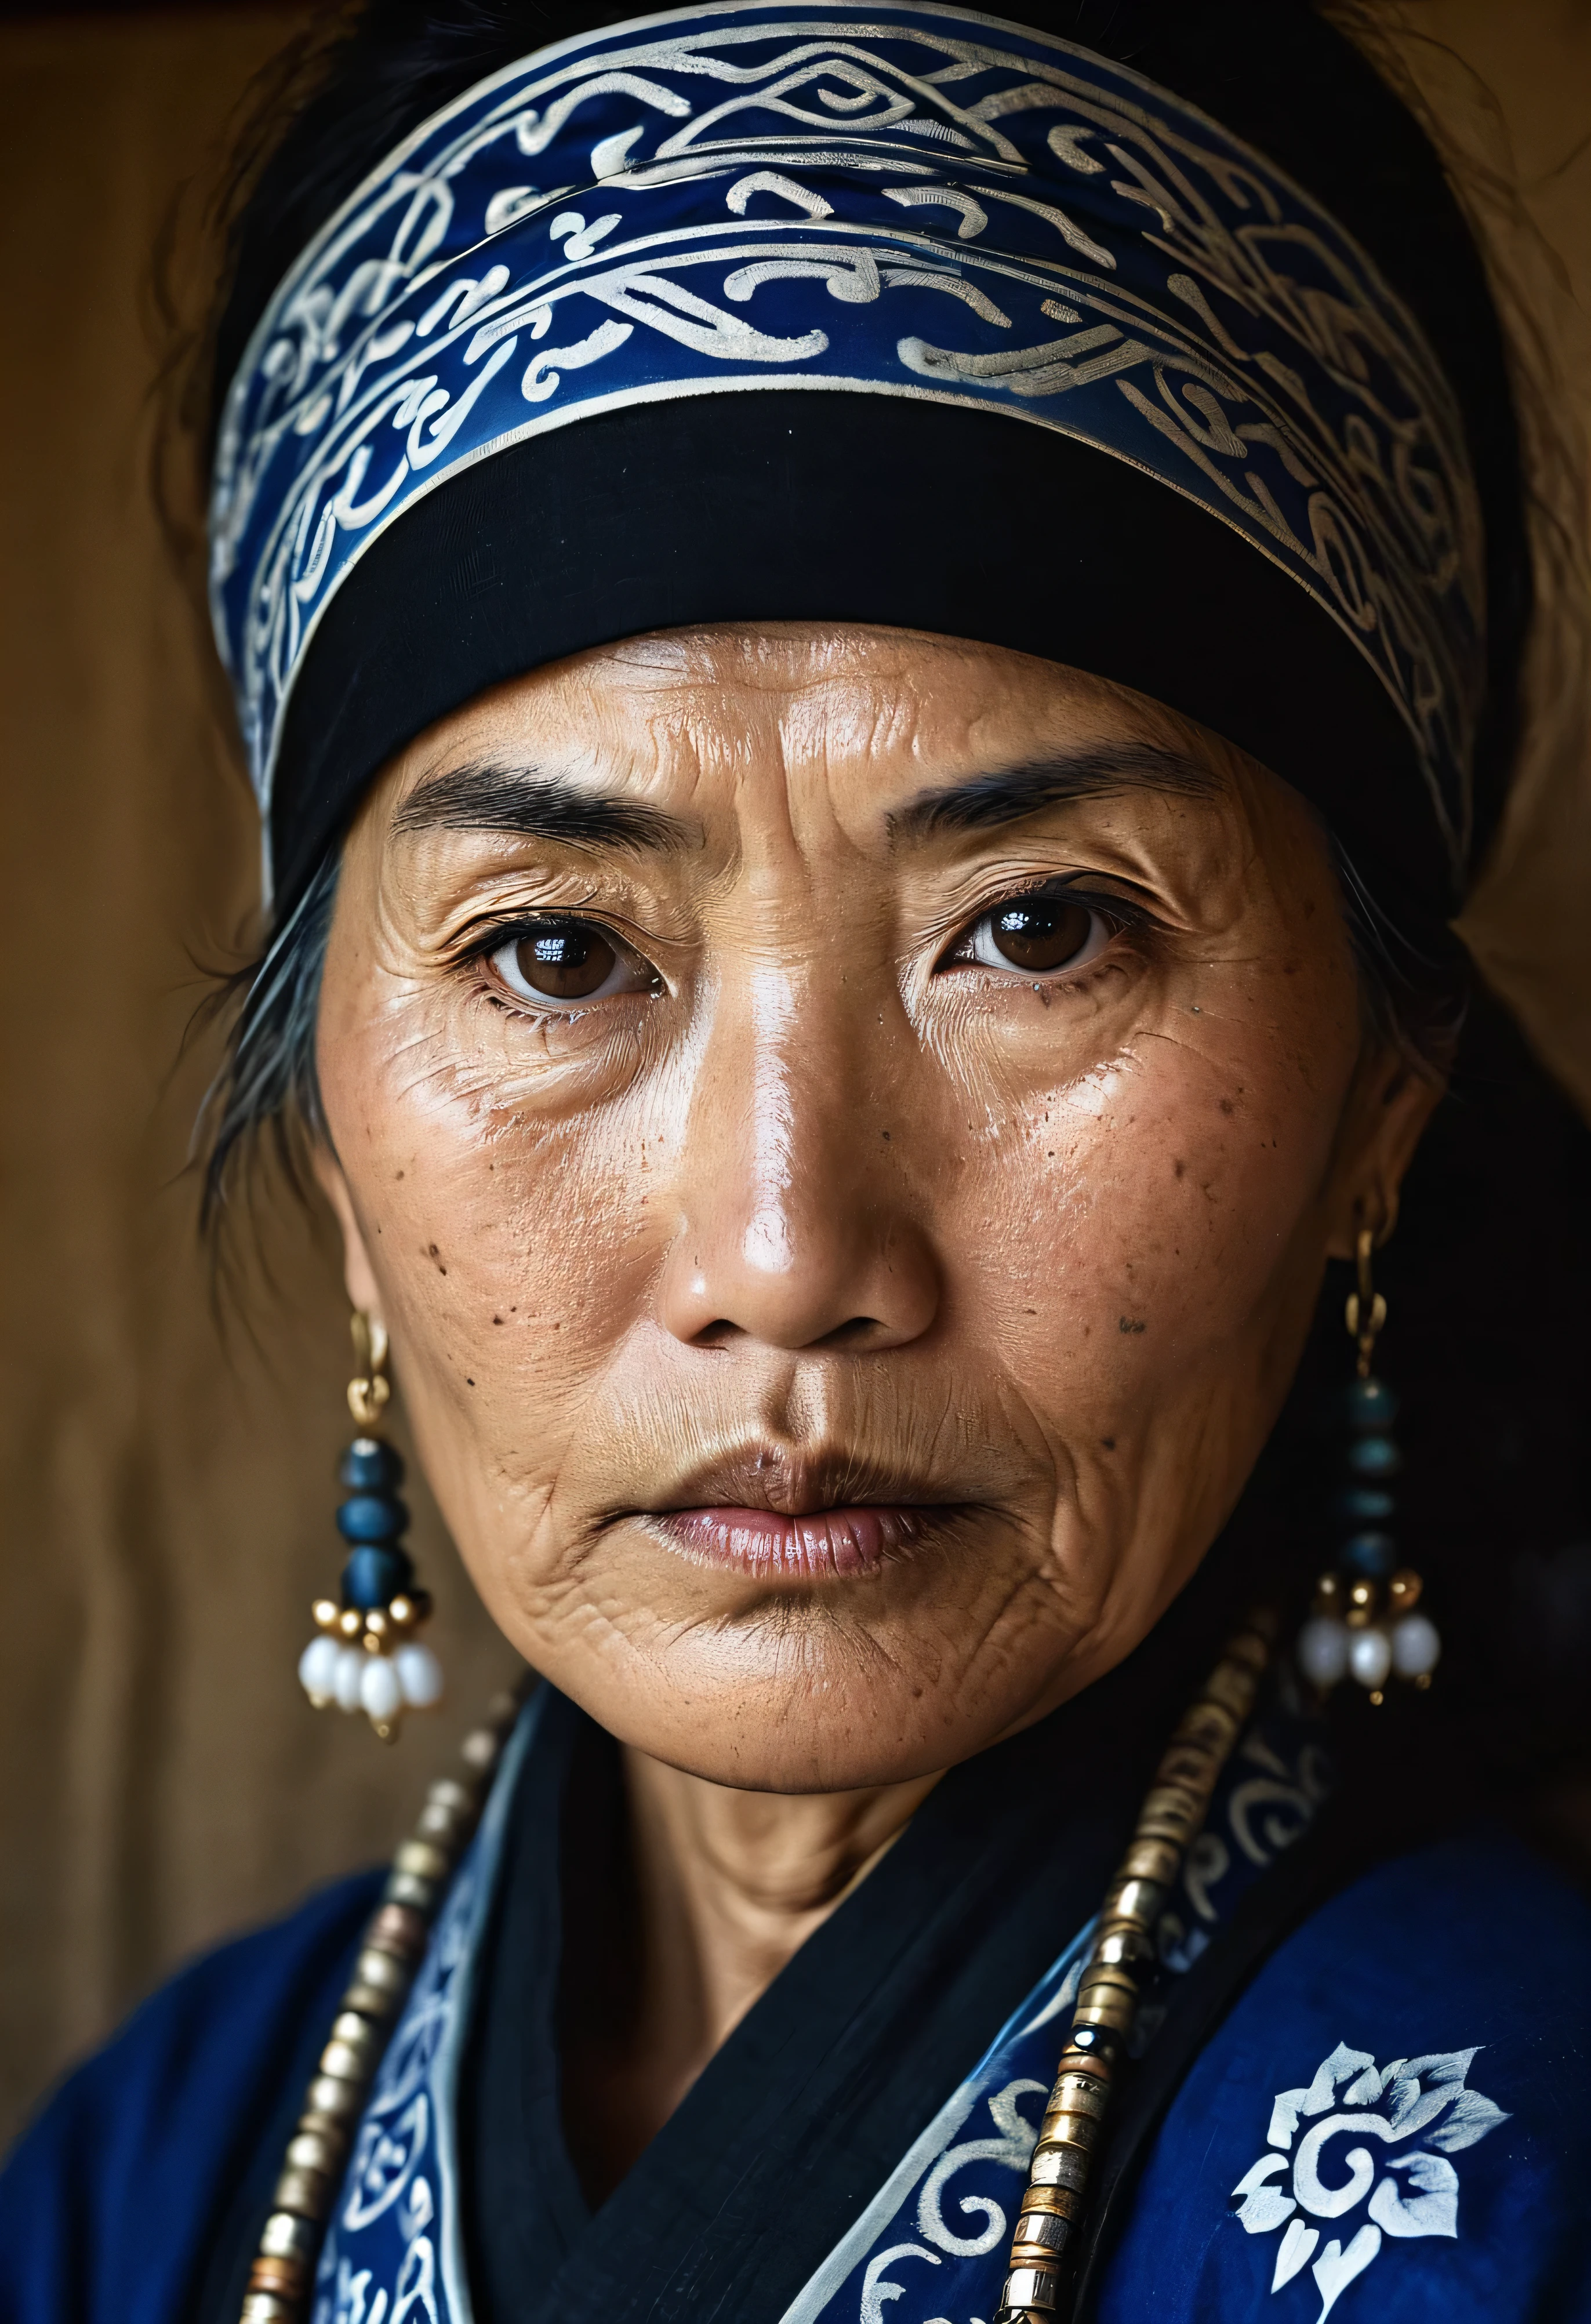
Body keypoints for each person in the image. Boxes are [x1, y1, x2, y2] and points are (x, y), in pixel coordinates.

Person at [3, 2, 1589, 2320]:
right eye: (553, 953)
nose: (783, 1254)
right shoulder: (161, 2173)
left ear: (1376, 1114)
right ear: (342, 1160)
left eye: (1032, 933)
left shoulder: (1518, 2192)